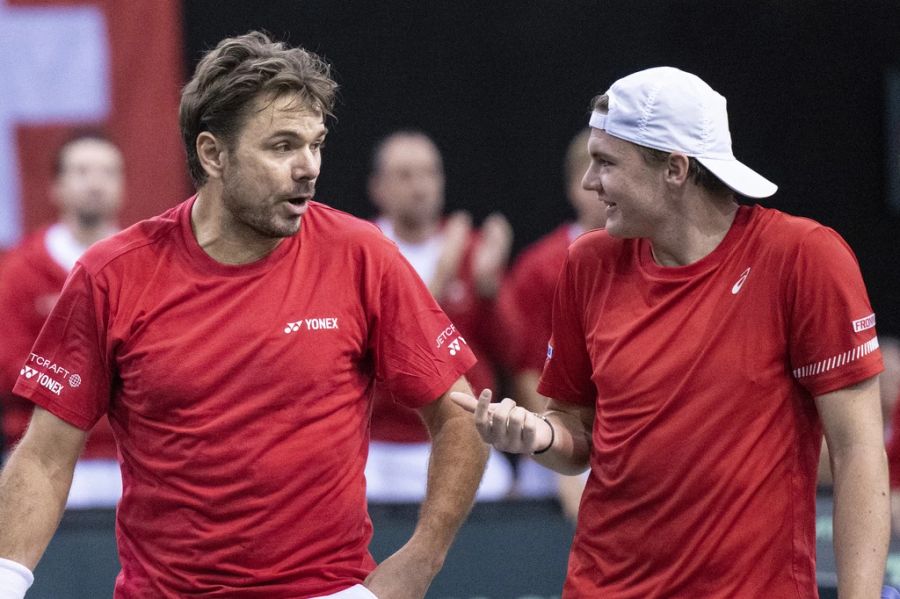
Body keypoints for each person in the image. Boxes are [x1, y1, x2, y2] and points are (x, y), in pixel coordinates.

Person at [0, 31, 488, 599]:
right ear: (213, 154)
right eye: (282, 146)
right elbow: (44, 455)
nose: (308, 167)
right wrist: (6, 580)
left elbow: (460, 417)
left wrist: (419, 563)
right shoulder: (111, 273)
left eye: (316, 143)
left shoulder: (363, 254)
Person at [453, 66, 889, 597]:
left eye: (605, 162)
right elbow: (576, 433)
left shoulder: (805, 258)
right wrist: (539, 436)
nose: (589, 183)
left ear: (676, 170)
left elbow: (858, 453)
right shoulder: (587, 262)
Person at [364, 130, 513, 501]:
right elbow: (378, 351)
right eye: (405, 175)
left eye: (429, 173)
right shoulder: (362, 251)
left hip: (462, 431)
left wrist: (488, 291)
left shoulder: (471, 250)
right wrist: (442, 275)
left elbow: (513, 351)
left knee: (500, 487)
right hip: (380, 443)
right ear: (378, 187)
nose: (420, 187)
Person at [0, 130, 124, 508]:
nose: (95, 183)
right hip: (42, 454)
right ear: (56, 186)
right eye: (82, 171)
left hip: (134, 457)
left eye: (108, 172)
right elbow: (11, 371)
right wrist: (99, 381)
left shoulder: (143, 265)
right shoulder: (21, 269)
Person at [497, 128, 604, 518]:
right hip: (559, 439)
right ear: (577, 185)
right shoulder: (541, 267)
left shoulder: (657, 257)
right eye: (594, 176)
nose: (603, 188)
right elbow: (528, 370)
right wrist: (562, 459)